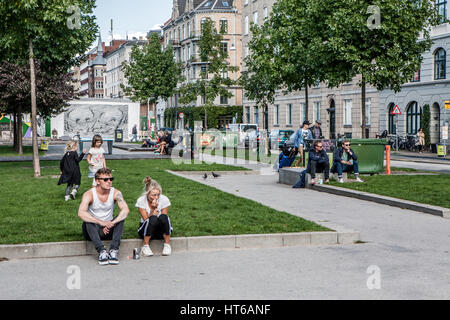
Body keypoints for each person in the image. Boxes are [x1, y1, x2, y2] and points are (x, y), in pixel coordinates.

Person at [77, 168, 130, 265]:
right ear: (97, 181)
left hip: (108, 228)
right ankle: (102, 251)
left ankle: (113, 251)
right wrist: (101, 223)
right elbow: (81, 213)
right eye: (105, 180)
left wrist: (111, 223)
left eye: (111, 179)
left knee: (121, 218)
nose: (109, 182)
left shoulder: (116, 193)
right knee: (88, 220)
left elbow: (125, 210)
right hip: (92, 229)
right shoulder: (89, 194)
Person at [136, 176, 172, 257]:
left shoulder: (164, 199)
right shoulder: (141, 200)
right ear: (147, 193)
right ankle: (145, 246)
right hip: (145, 230)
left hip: (160, 230)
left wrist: (157, 214)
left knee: (163, 217)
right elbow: (146, 220)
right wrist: (152, 209)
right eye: (153, 195)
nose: (156, 197)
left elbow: (164, 218)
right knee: (152, 218)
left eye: (158, 194)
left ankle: (167, 245)